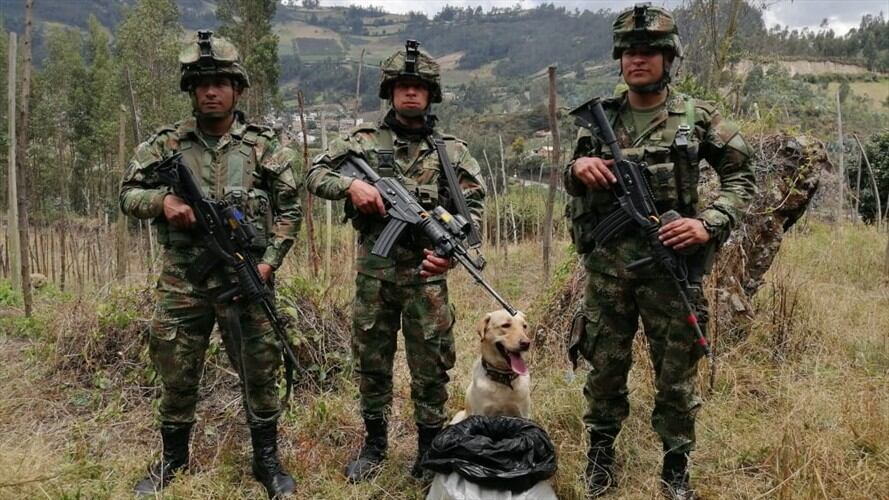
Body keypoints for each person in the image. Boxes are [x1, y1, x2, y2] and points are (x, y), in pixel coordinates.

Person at [564, 4, 756, 499]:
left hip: (670, 272)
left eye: (648, 51)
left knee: (677, 377)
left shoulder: (697, 117)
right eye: (629, 52)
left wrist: (708, 223)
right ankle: (600, 459)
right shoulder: (599, 117)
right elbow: (568, 175)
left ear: (669, 58)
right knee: (604, 371)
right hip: (607, 272)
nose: (637, 60)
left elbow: (742, 177)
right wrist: (580, 166)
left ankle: (675, 470)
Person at [119, 31, 302, 498]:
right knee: (177, 368)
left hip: (246, 278)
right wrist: (163, 203)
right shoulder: (165, 145)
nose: (210, 90)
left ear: (237, 88)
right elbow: (127, 194)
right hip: (184, 283)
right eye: (201, 83)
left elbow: (289, 211)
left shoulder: (263, 146)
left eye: (220, 81)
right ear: (191, 90)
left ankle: (266, 462)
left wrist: (268, 264)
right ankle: (173, 461)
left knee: (260, 369)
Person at [306, 41, 485, 482]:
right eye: (403, 86)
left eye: (418, 87)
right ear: (390, 90)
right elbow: (315, 173)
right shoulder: (361, 143)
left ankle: (429, 449)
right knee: (372, 361)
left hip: (426, 277)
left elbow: (473, 209)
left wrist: (449, 256)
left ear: (431, 94)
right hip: (375, 276)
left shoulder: (452, 151)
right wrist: (353, 189)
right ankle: (375, 444)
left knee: (431, 366)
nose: (410, 93)